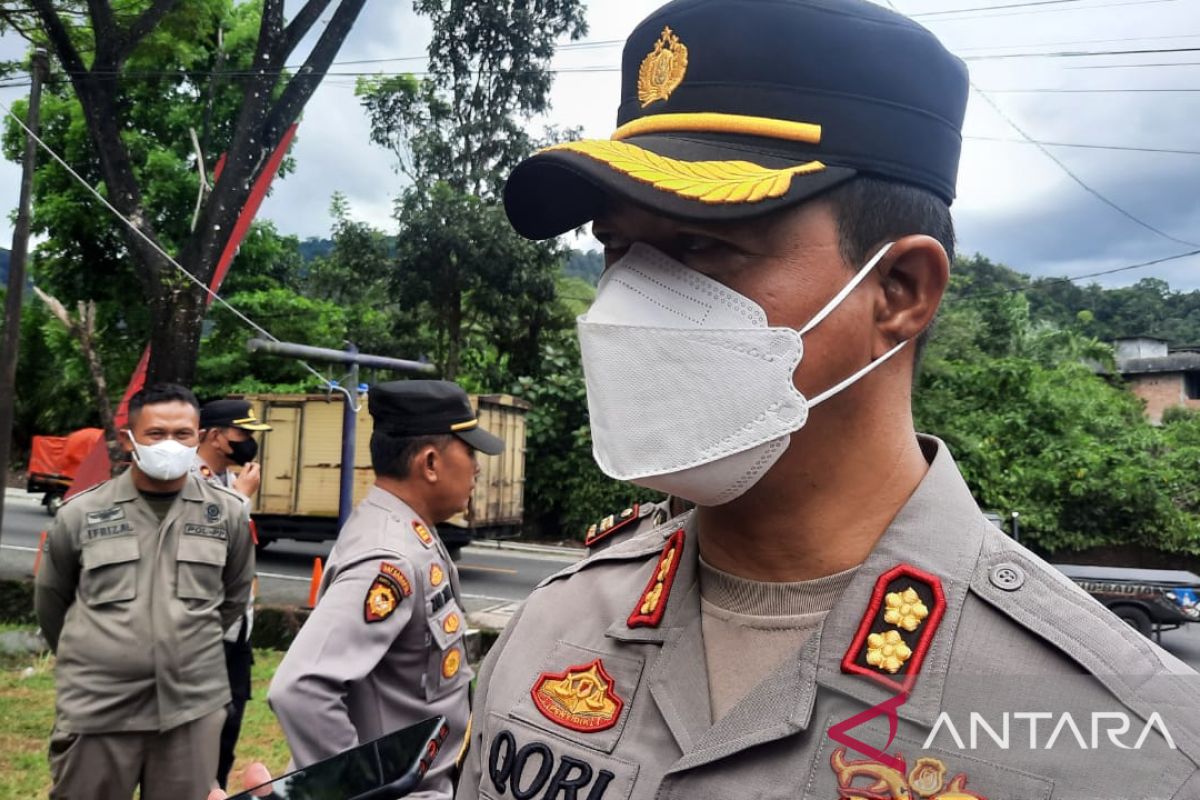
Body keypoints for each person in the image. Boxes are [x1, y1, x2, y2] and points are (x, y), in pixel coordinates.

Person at [458, 1, 1200, 798]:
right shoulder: (551, 630)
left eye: (700, 244)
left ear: (900, 291)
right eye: (618, 251)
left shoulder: (1130, 741)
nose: (624, 307)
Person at [267, 380, 505, 799]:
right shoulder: (390, 556)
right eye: (468, 451)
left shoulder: (405, 528)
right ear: (430, 463)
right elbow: (299, 687)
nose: (477, 467)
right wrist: (356, 790)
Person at [35, 383, 255, 800]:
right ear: (129, 438)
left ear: (198, 437)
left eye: (183, 434)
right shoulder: (81, 513)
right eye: (156, 434)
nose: (170, 444)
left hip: (189, 711)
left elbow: (232, 598)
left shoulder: (227, 513)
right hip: (99, 709)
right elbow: (52, 604)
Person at [195, 398, 273, 789]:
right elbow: (204, 547)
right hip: (205, 633)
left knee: (228, 728)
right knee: (199, 737)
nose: (249, 442)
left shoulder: (228, 480)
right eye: (241, 434)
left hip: (236, 631)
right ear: (214, 435)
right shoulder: (192, 480)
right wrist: (240, 500)